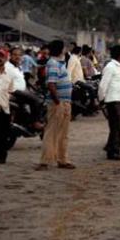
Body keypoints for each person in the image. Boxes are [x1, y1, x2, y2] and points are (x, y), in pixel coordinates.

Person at [36, 40, 75, 170]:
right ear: (60, 49)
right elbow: (51, 84)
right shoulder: (53, 64)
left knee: (64, 133)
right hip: (58, 103)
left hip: (64, 102)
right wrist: (58, 102)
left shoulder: (59, 63)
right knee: (52, 131)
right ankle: (45, 161)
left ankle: (62, 159)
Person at [99, 45, 120, 161]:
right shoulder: (110, 67)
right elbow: (103, 85)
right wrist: (101, 100)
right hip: (112, 101)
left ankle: (112, 146)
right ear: (119, 55)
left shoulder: (119, 67)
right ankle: (113, 151)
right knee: (116, 126)